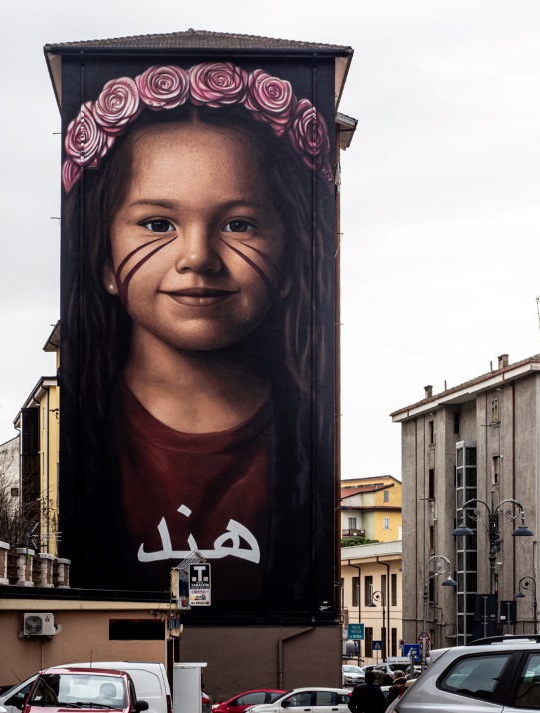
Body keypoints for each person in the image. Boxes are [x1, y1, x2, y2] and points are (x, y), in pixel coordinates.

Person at [59, 60, 336, 600]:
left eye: (238, 224)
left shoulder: (304, 436)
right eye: (157, 224)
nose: (197, 257)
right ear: (106, 261)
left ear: (289, 261)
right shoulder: (85, 431)